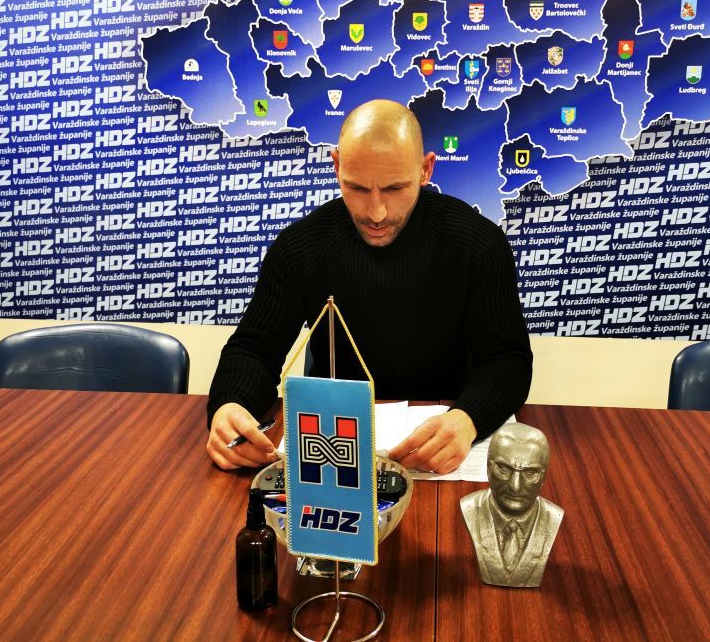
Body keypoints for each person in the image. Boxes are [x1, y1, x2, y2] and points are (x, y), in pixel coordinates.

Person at [206, 99, 532, 474]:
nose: (377, 212)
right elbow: (253, 349)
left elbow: (508, 358)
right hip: (333, 445)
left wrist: (469, 417)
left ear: (425, 169)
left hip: (446, 436)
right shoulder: (301, 247)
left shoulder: (478, 244)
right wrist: (230, 406)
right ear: (336, 166)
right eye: (357, 188)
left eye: (395, 188)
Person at [460, 422, 563, 587]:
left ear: (544, 476)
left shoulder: (553, 517)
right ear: (488, 467)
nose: (515, 486)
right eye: (504, 469)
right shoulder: (470, 508)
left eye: (530, 472)